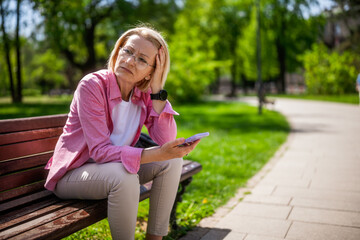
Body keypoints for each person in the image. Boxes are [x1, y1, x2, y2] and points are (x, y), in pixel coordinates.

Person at [44, 26, 200, 240]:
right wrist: (157, 154)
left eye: (143, 60)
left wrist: (157, 90)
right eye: (127, 51)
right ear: (118, 51)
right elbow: (99, 152)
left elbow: (165, 140)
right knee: (125, 177)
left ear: (152, 71)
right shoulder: (92, 86)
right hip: (74, 174)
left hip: (112, 171)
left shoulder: (143, 95)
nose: (130, 61)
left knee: (171, 162)